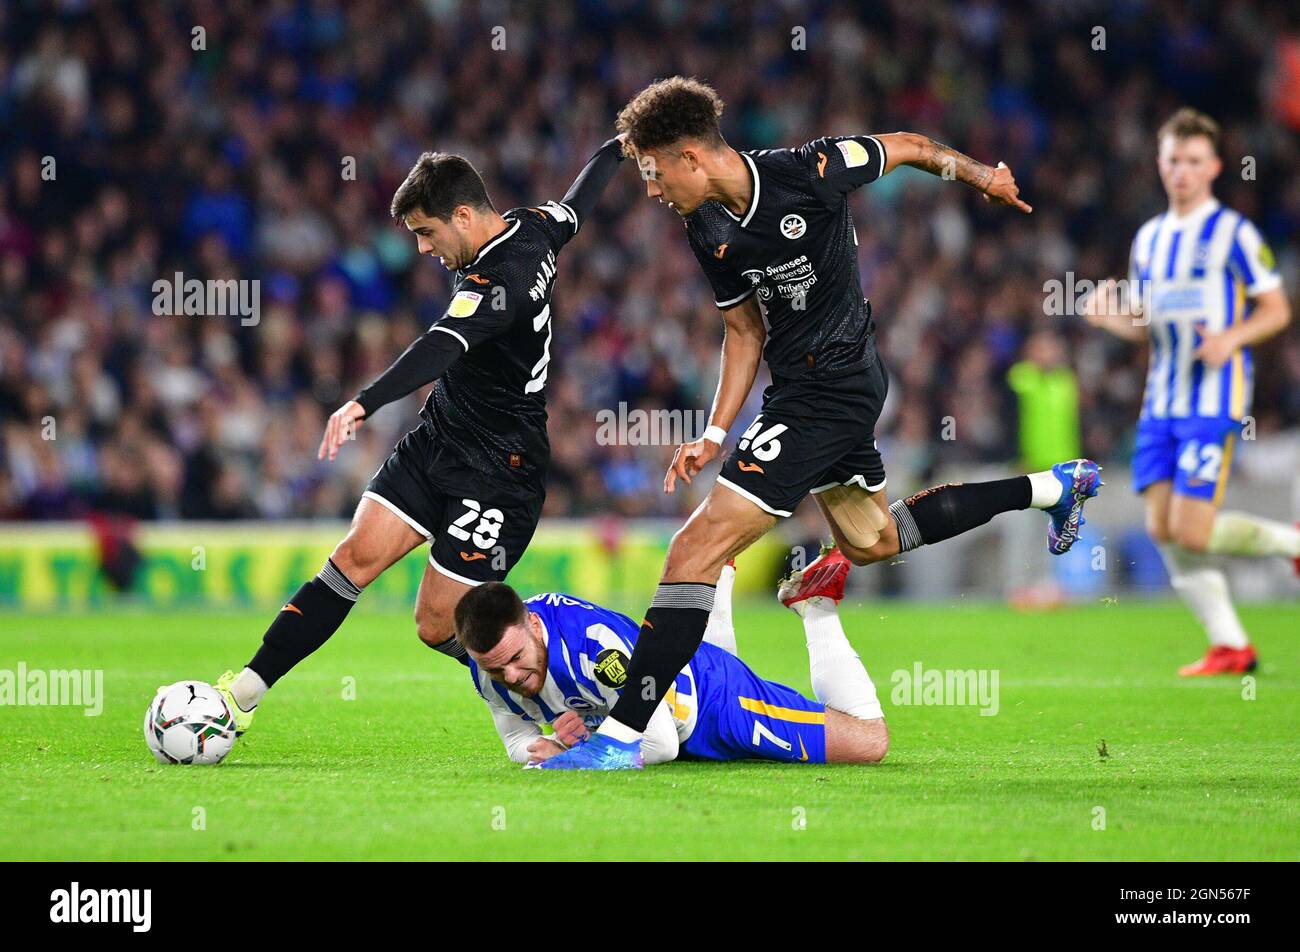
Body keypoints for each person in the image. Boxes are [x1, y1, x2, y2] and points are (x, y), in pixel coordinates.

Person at [540, 77, 1100, 769]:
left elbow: (912, 147)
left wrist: (983, 176)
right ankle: (1054, 488)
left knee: (694, 550)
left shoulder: (811, 170)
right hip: (801, 391)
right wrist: (715, 432)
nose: (652, 191)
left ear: (690, 156)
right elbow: (742, 329)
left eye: (654, 174)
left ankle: (622, 738)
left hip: (832, 391)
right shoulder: (704, 226)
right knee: (871, 538)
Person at [212, 138, 626, 731]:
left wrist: (365, 401)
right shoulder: (536, 227)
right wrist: (619, 145)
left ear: (463, 215)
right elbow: (577, 201)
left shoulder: (498, 281)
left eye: (427, 233)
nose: (423, 248)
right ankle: (240, 697)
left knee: (438, 625)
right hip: (439, 439)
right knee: (351, 559)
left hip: (500, 470)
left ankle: (559, 675)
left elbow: (439, 346)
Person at [1083, 108, 1296, 676]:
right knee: (1161, 529)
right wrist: (1110, 319)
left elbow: (1276, 309)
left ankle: (1291, 542)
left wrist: (1232, 337)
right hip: (1160, 403)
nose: (1183, 171)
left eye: (1195, 161)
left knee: (1193, 530)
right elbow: (1147, 321)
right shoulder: (1149, 239)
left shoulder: (1234, 233)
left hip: (1214, 401)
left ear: (1215, 167)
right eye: (1174, 159)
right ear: (1160, 163)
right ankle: (1231, 645)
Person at [459, 551, 887, 767]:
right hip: (679, 693)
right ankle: (718, 573)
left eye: (515, 658)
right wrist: (551, 743)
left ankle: (816, 608)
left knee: (868, 742)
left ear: (533, 625)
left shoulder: (594, 648)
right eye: (495, 668)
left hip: (714, 701)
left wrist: (581, 750)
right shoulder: (490, 669)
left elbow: (660, 742)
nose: (510, 676)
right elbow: (516, 740)